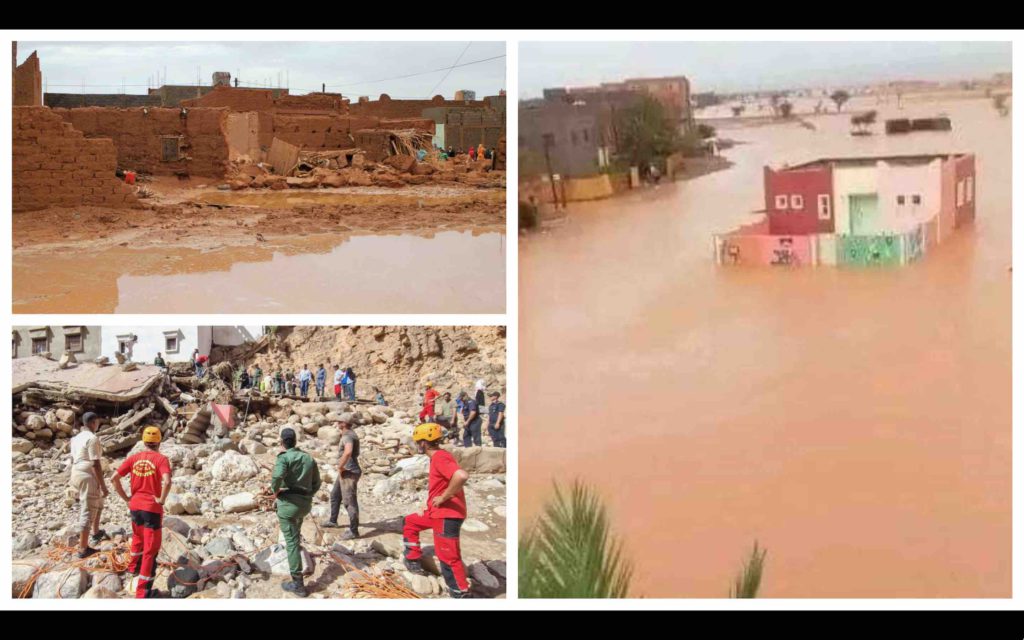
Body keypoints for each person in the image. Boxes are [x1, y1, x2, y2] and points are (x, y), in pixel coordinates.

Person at [402, 423, 472, 598]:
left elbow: (461, 476)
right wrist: (429, 503)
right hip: (437, 512)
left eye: (417, 442)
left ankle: (460, 592)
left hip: (446, 515)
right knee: (410, 522)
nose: (416, 445)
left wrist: (443, 497)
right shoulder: (440, 456)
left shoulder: (440, 458)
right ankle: (412, 559)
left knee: (448, 556)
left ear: (423, 443)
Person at [111, 426, 172, 599]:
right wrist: (161, 500)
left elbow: (114, 478)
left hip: (135, 506)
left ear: (143, 441)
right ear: (159, 441)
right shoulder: (161, 459)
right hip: (151, 509)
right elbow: (167, 482)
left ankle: (132, 568)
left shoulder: (133, 458)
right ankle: (143, 593)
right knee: (150, 551)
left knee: (138, 537)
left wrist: (126, 498)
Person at [271, 427, 321, 597]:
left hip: (288, 506)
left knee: (291, 542)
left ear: (282, 442)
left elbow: (277, 477)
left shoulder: (284, 457)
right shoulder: (308, 457)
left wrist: (275, 491)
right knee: (295, 534)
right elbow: (317, 483)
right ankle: (299, 562)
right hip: (305, 505)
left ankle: (298, 584)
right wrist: (307, 496)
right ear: (295, 441)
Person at [69, 412, 109, 559]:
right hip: (87, 475)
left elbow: (73, 458)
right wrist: (103, 485)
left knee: (98, 501)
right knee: (89, 508)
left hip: (76, 473)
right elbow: (95, 464)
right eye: (97, 422)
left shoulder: (75, 438)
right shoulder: (92, 438)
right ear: (93, 422)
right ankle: (83, 548)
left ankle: (96, 531)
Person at [322, 420, 361, 539]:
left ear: (343, 424)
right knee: (335, 495)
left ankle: (354, 531)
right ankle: (333, 520)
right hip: (345, 471)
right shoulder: (351, 433)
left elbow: (348, 451)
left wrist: (340, 466)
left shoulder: (348, 436)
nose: (337, 423)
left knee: (349, 502)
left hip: (349, 472)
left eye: (339, 422)